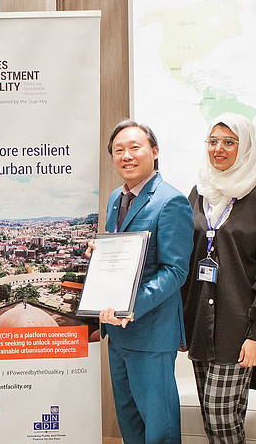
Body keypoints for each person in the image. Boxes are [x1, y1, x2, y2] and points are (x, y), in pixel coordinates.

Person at [180, 114, 256, 444]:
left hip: (238, 328)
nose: (218, 149)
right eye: (213, 142)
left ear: (246, 147)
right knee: (219, 418)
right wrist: (180, 324)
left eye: (229, 142)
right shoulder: (199, 193)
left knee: (218, 414)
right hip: (199, 324)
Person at [97, 119, 193, 444]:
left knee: (159, 430)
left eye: (134, 148)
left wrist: (131, 306)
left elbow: (175, 271)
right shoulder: (116, 198)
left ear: (154, 151)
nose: (126, 156)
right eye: (118, 150)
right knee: (130, 427)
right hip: (118, 334)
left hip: (151, 332)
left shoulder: (171, 201)